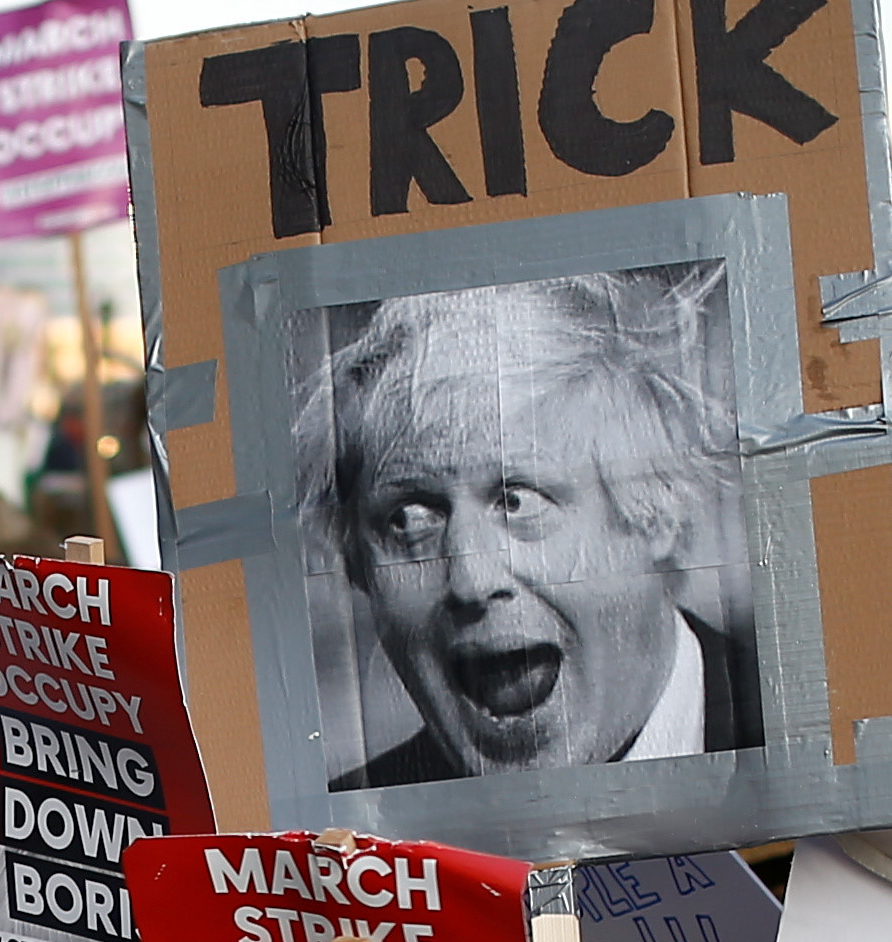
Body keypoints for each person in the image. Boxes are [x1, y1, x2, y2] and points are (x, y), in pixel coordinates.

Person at [307, 269, 758, 787]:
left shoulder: (817, 731)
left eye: (517, 501)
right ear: (359, 568)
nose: (471, 579)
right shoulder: (338, 851)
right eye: (411, 519)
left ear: (655, 514)